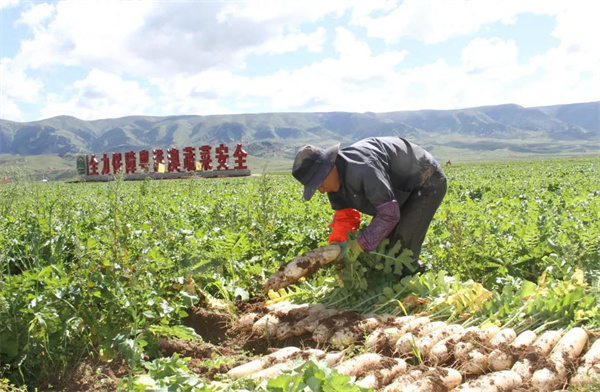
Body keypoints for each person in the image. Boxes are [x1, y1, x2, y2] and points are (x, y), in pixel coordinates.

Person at [292, 136, 447, 277]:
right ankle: (407, 275)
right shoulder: (334, 184)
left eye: (319, 183)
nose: (320, 190)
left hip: (426, 181)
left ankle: (410, 289)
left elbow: (389, 214)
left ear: (330, 167)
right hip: (399, 192)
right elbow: (345, 218)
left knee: (401, 249)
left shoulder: (364, 168)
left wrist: (359, 245)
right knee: (383, 249)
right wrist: (337, 248)